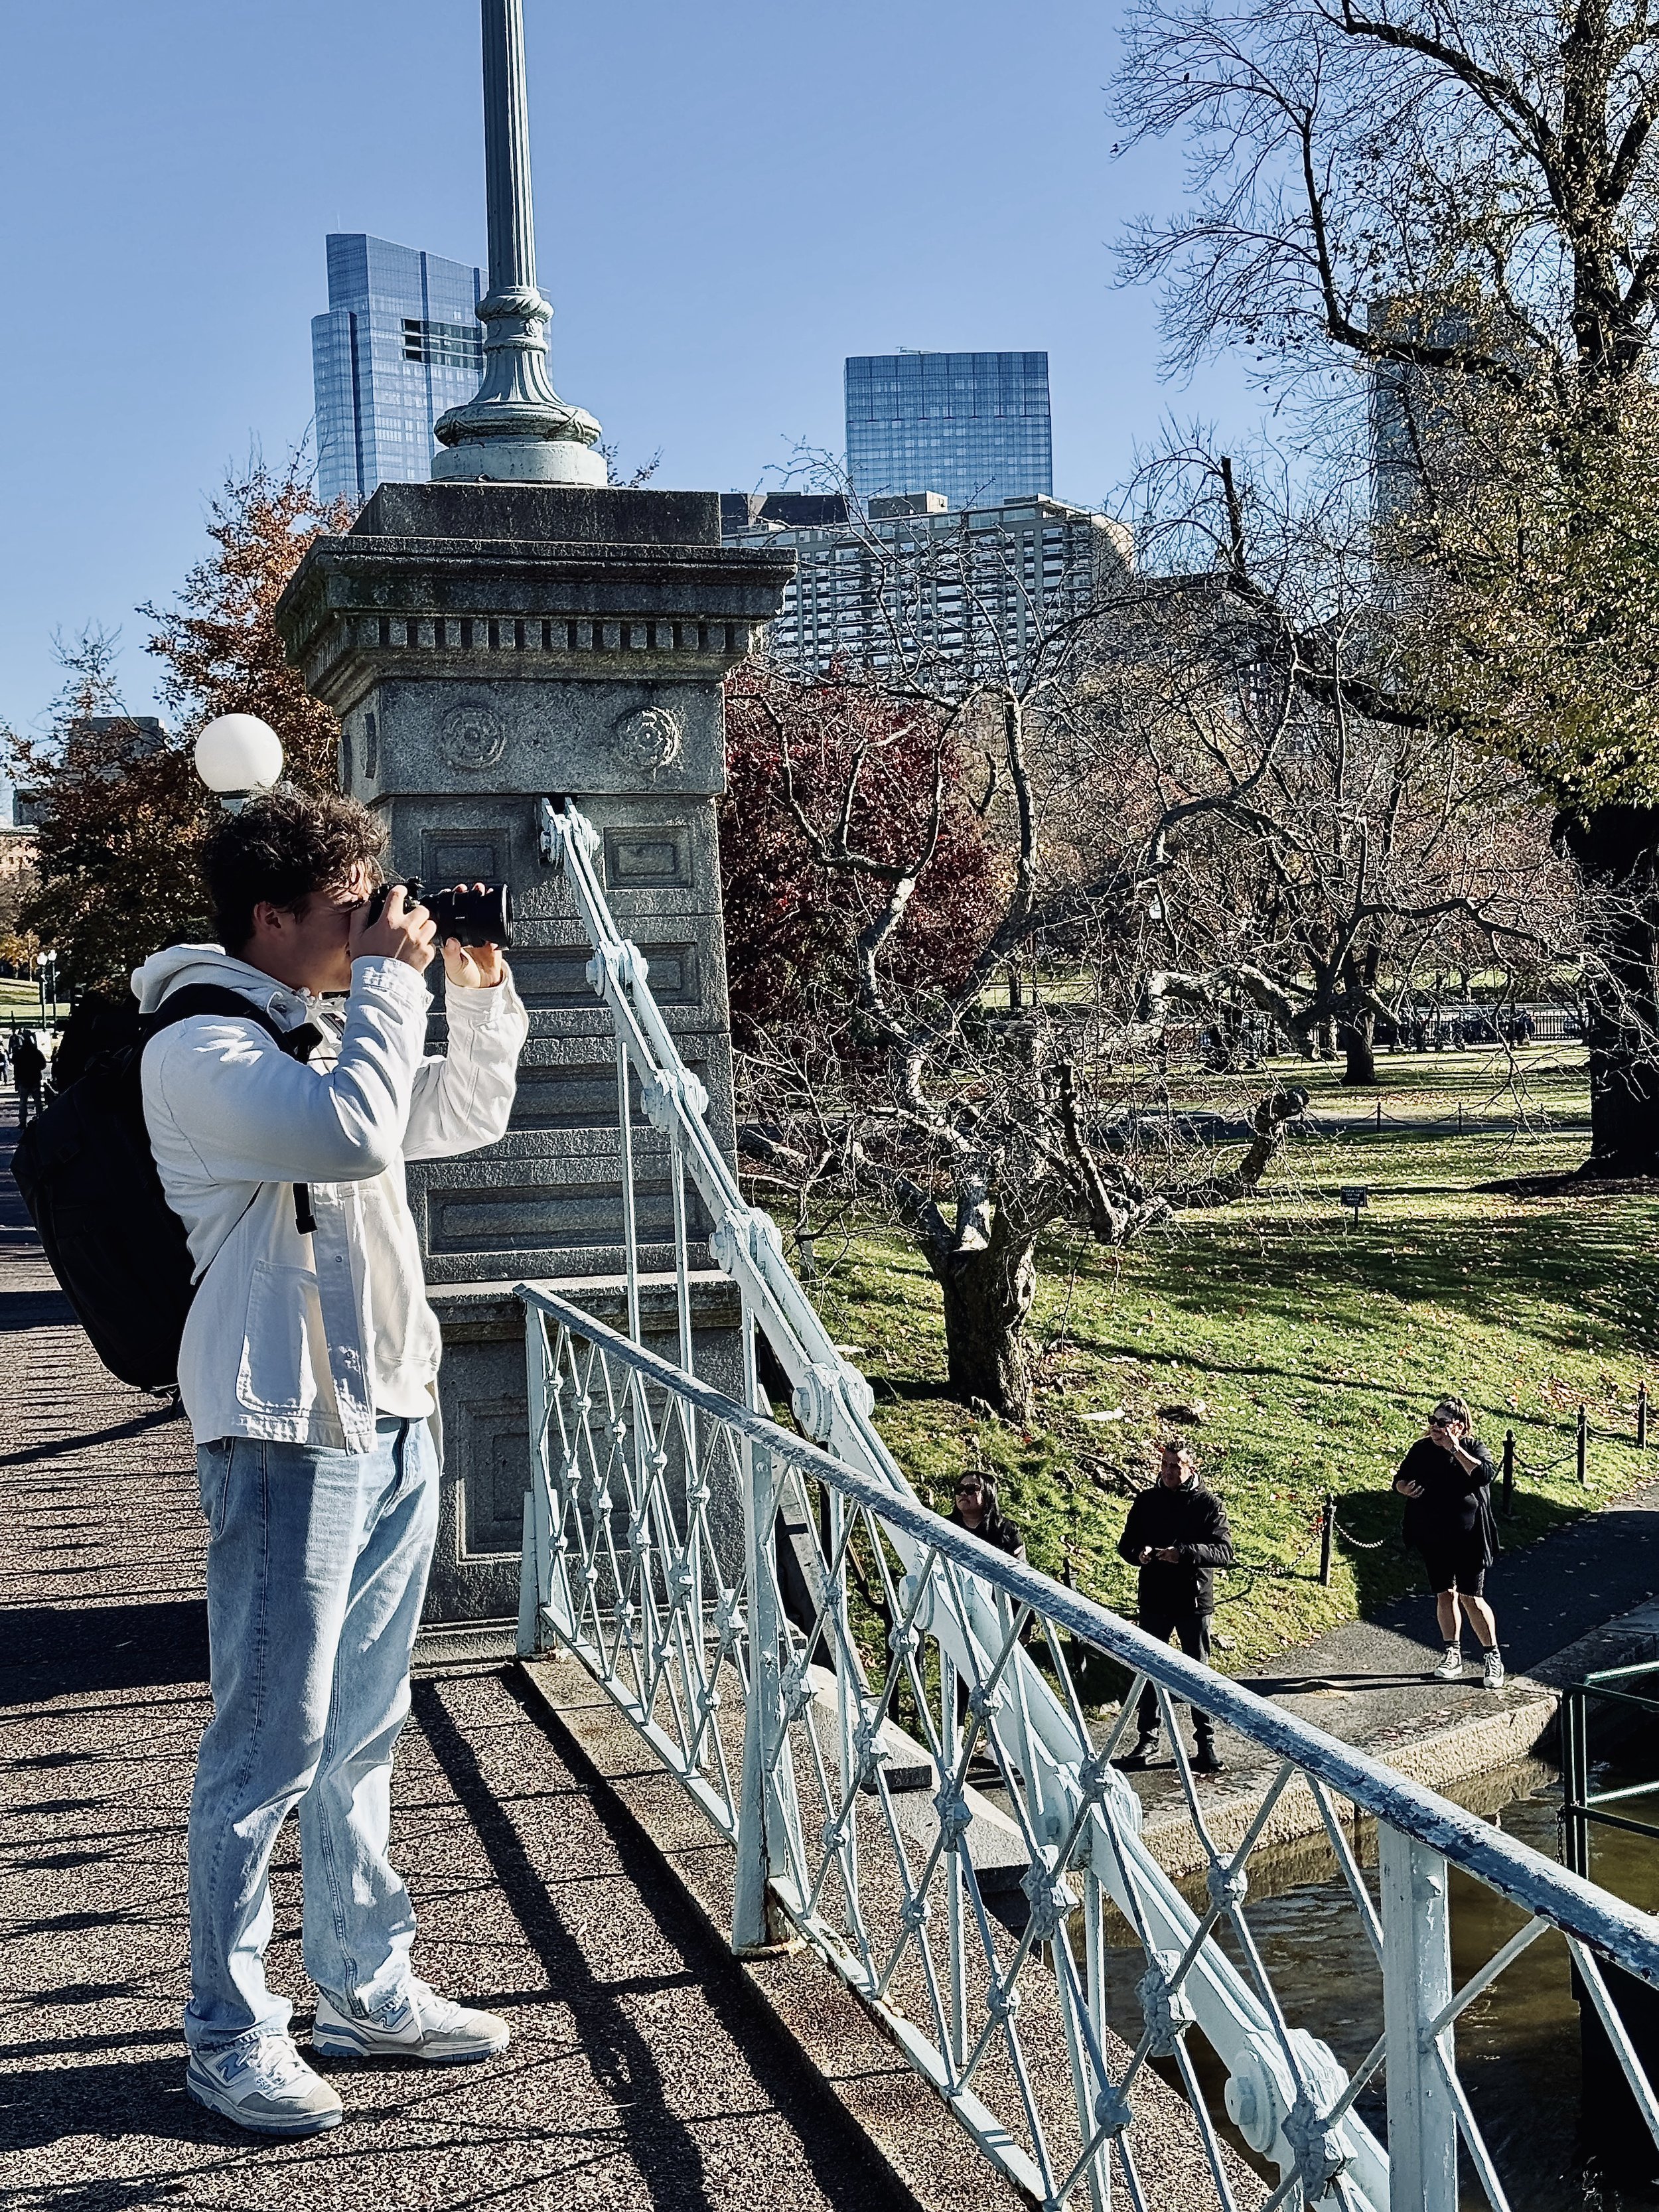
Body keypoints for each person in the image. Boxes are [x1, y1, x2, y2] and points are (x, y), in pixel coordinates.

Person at [134, 786, 528, 2138]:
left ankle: (363, 1983)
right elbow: (355, 1130)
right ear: (271, 918)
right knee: (267, 1740)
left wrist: (468, 987)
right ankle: (227, 2032)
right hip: (284, 1429)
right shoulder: (201, 1048)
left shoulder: (322, 1030)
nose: (374, 924)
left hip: (389, 1411)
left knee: (363, 1728)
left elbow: (457, 1115)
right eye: (344, 907)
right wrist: (382, 985)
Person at [1114, 1436, 1235, 1774]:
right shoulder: (1147, 1501)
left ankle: (1205, 1744)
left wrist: (1183, 1554)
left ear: (1190, 1467)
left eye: (1175, 1466)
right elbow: (1126, 1544)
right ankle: (1147, 1739)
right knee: (1150, 1669)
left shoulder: (1208, 1504)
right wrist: (1138, 1554)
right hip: (1154, 1598)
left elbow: (1224, 1552)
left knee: (1197, 1672)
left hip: (1193, 1600)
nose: (1168, 1471)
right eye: (1165, 1465)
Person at [1394, 1392, 1504, 1688]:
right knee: (1445, 1594)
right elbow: (1400, 1478)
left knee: (1472, 1598)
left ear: (1459, 1425)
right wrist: (1404, 1488)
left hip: (1469, 1537)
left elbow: (1484, 1475)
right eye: (1433, 1421)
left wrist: (1455, 1449)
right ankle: (1451, 1653)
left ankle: (1492, 1658)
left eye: (1442, 1422)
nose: (1435, 1427)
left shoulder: (1473, 1447)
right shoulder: (1421, 1449)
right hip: (1434, 1535)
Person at [948, 1473, 1026, 1560]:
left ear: (988, 1494)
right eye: (959, 1489)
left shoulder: (1007, 1531)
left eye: (971, 1489)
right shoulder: (945, 1525)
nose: (963, 1493)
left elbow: (1020, 1568)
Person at [11, 1029, 46, 1125]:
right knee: (38, 1102)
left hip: (23, 1081)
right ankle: (41, 1119)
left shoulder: (19, 1054)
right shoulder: (36, 1053)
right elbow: (43, 1065)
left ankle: (22, 1121)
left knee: (23, 1103)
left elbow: (16, 1066)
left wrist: (17, 1081)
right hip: (35, 1079)